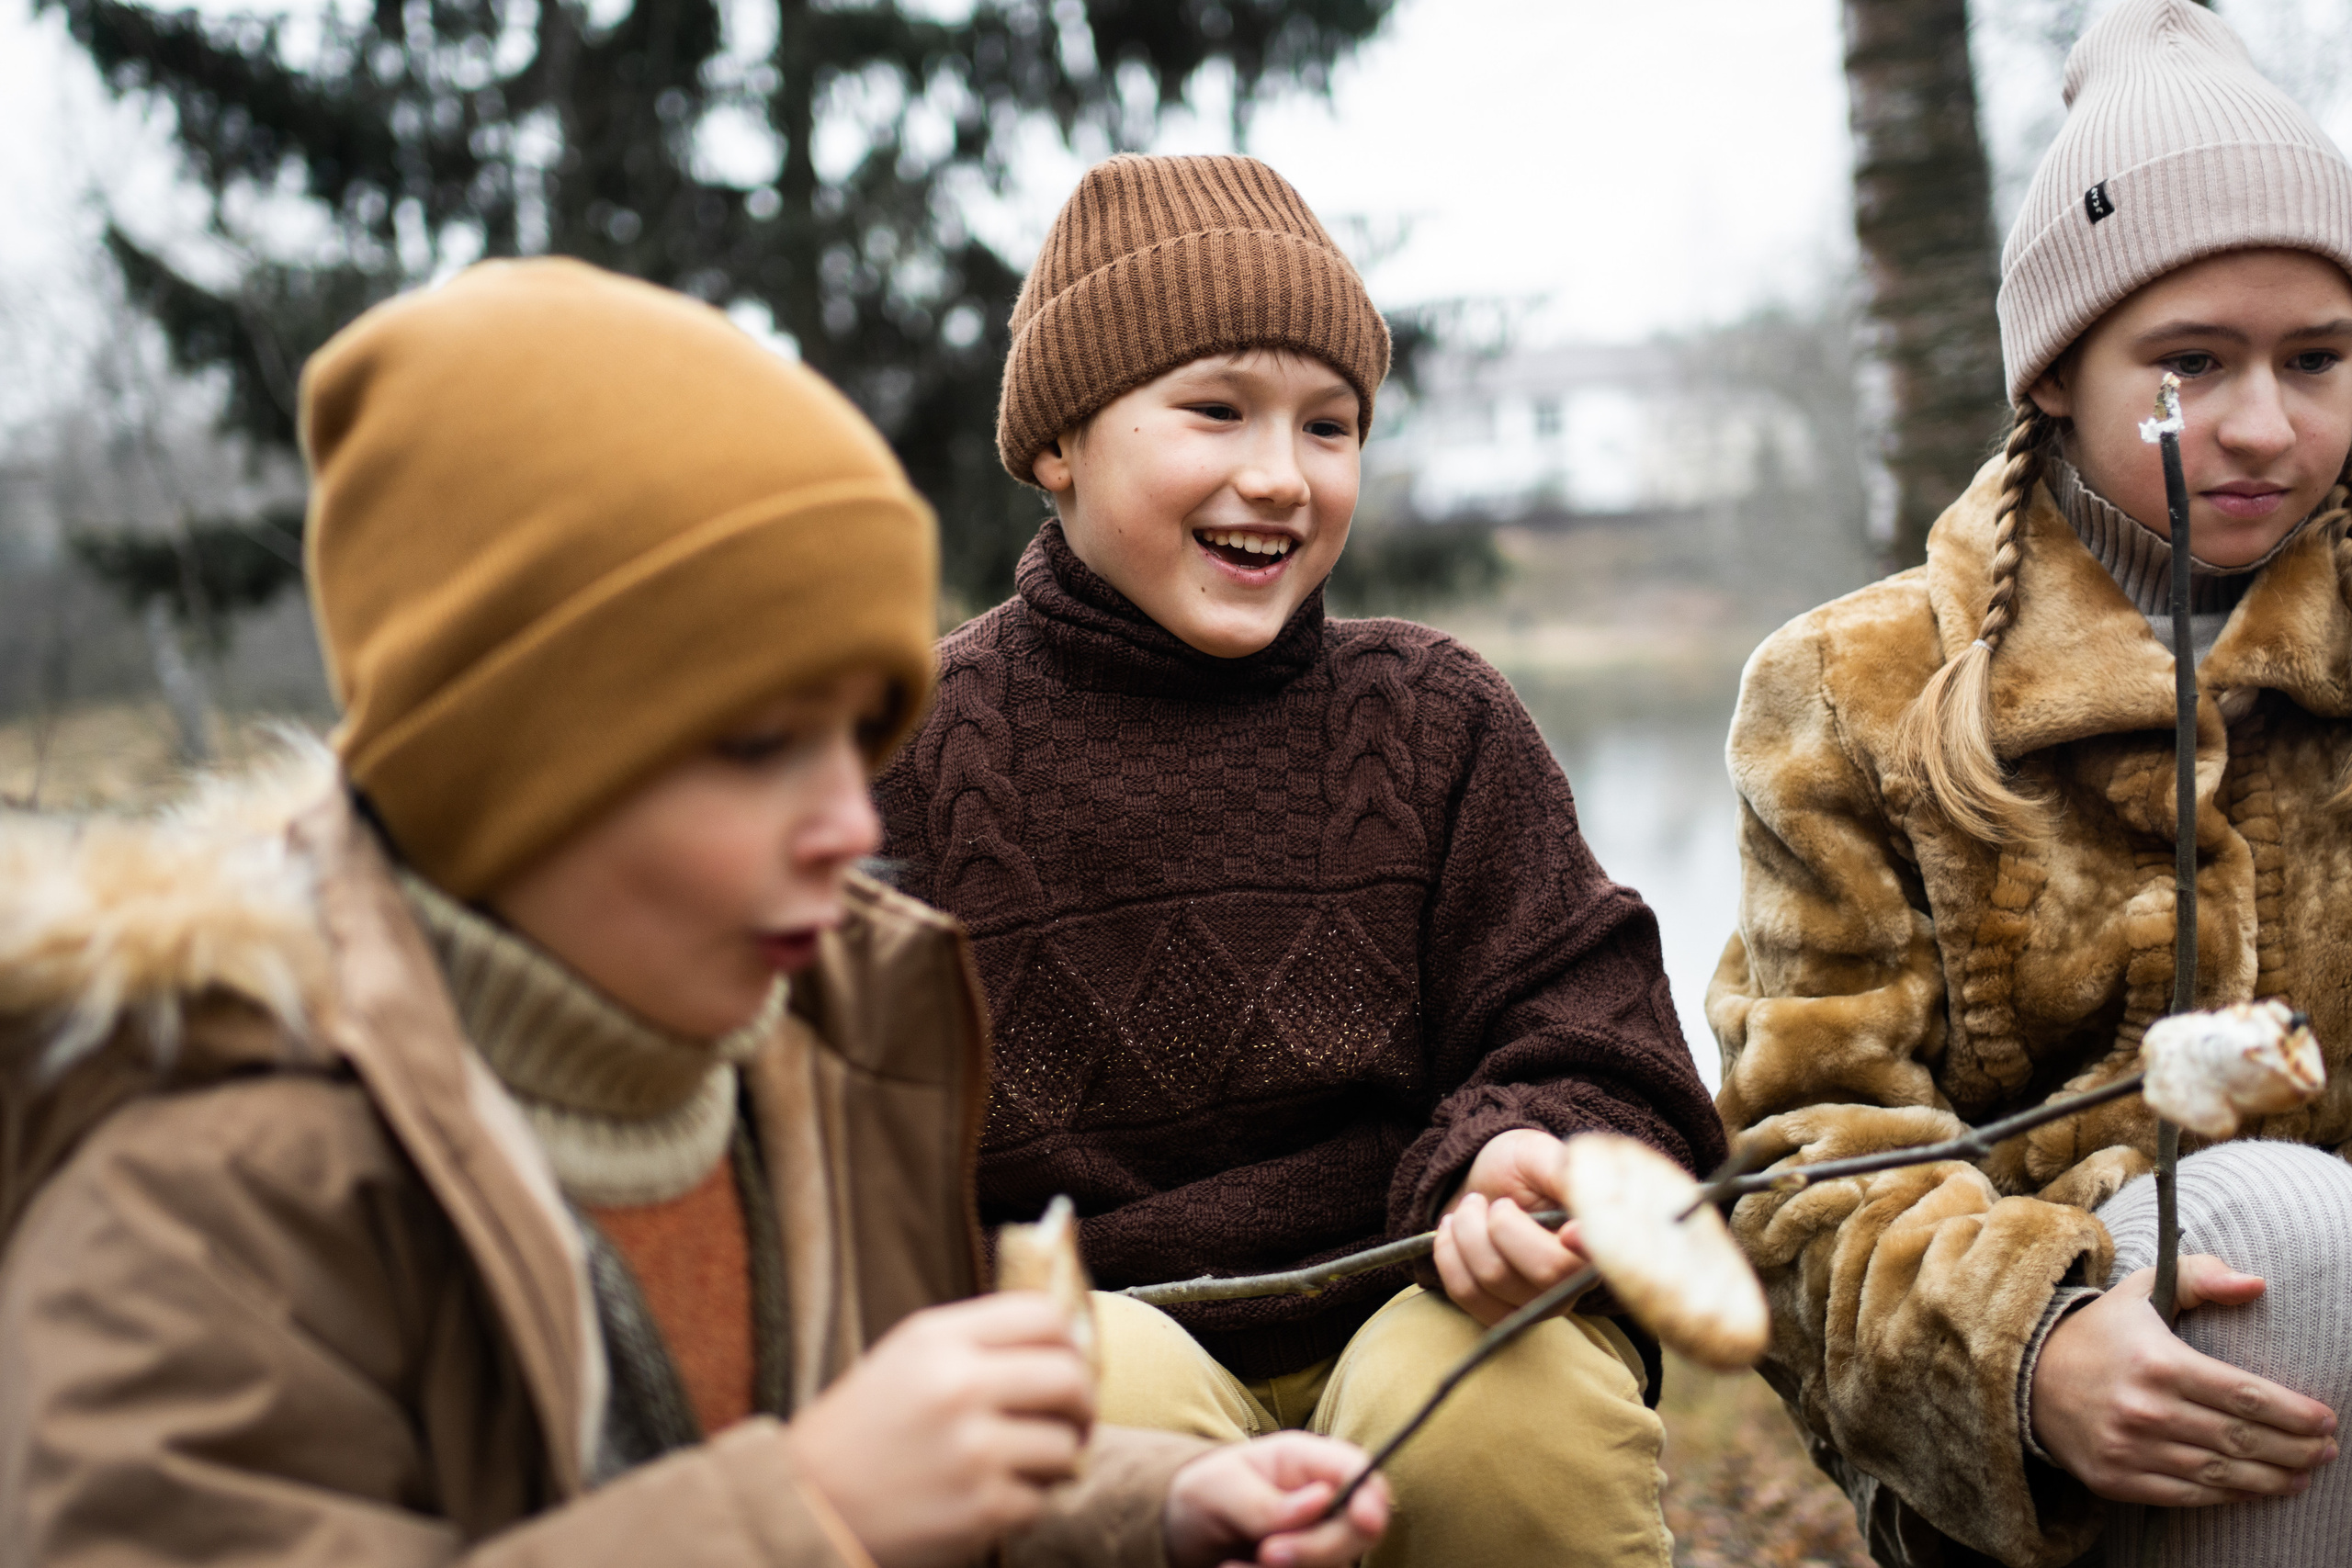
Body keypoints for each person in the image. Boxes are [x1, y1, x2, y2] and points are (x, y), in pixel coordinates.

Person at [0, 258, 1391, 1568]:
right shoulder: (195, 1195)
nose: (855, 828)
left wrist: (1142, 1506)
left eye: (855, 739)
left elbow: (897, 1473)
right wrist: (806, 1514)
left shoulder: (830, 1049)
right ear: (514, 761)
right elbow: (835, 1492)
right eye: (752, 749)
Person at [873, 153, 1727, 1568]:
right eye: (1215, 411)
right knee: (1110, 1395)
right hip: (1091, 1327)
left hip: (1418, 1285)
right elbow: (846, 1152)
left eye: (1329, 428)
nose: (1278, 477)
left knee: (1502, 1413)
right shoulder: (911, 753)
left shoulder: (1435, 721)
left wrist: (1522, 1154)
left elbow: (1598, 1033)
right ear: (1058, 444)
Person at [1708, 4, 2352, 1563]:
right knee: (2275, 1236)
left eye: (2319, 359)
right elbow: (1805, 1170)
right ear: (2057, 374)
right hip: (2046, 1468)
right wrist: (2030, 1355)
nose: (2264, 425)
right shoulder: (1852, 693)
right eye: (2191, 365)